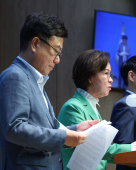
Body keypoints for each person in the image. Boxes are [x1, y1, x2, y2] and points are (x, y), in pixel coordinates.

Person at [0, 13, 99, 170]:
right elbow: (14, 128)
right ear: (35, 43)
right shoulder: (15, 76)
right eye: (56, 51)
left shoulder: (35, 79)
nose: (57, 60)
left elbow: (46, 126)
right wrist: (64, 137)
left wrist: (74, 129)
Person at [57, 50, 136, 170]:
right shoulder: (72, 107)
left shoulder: (91, 106)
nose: (111, 80)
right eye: (106, 73)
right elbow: (92, 149)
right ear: (89, 78)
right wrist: (133, 147)